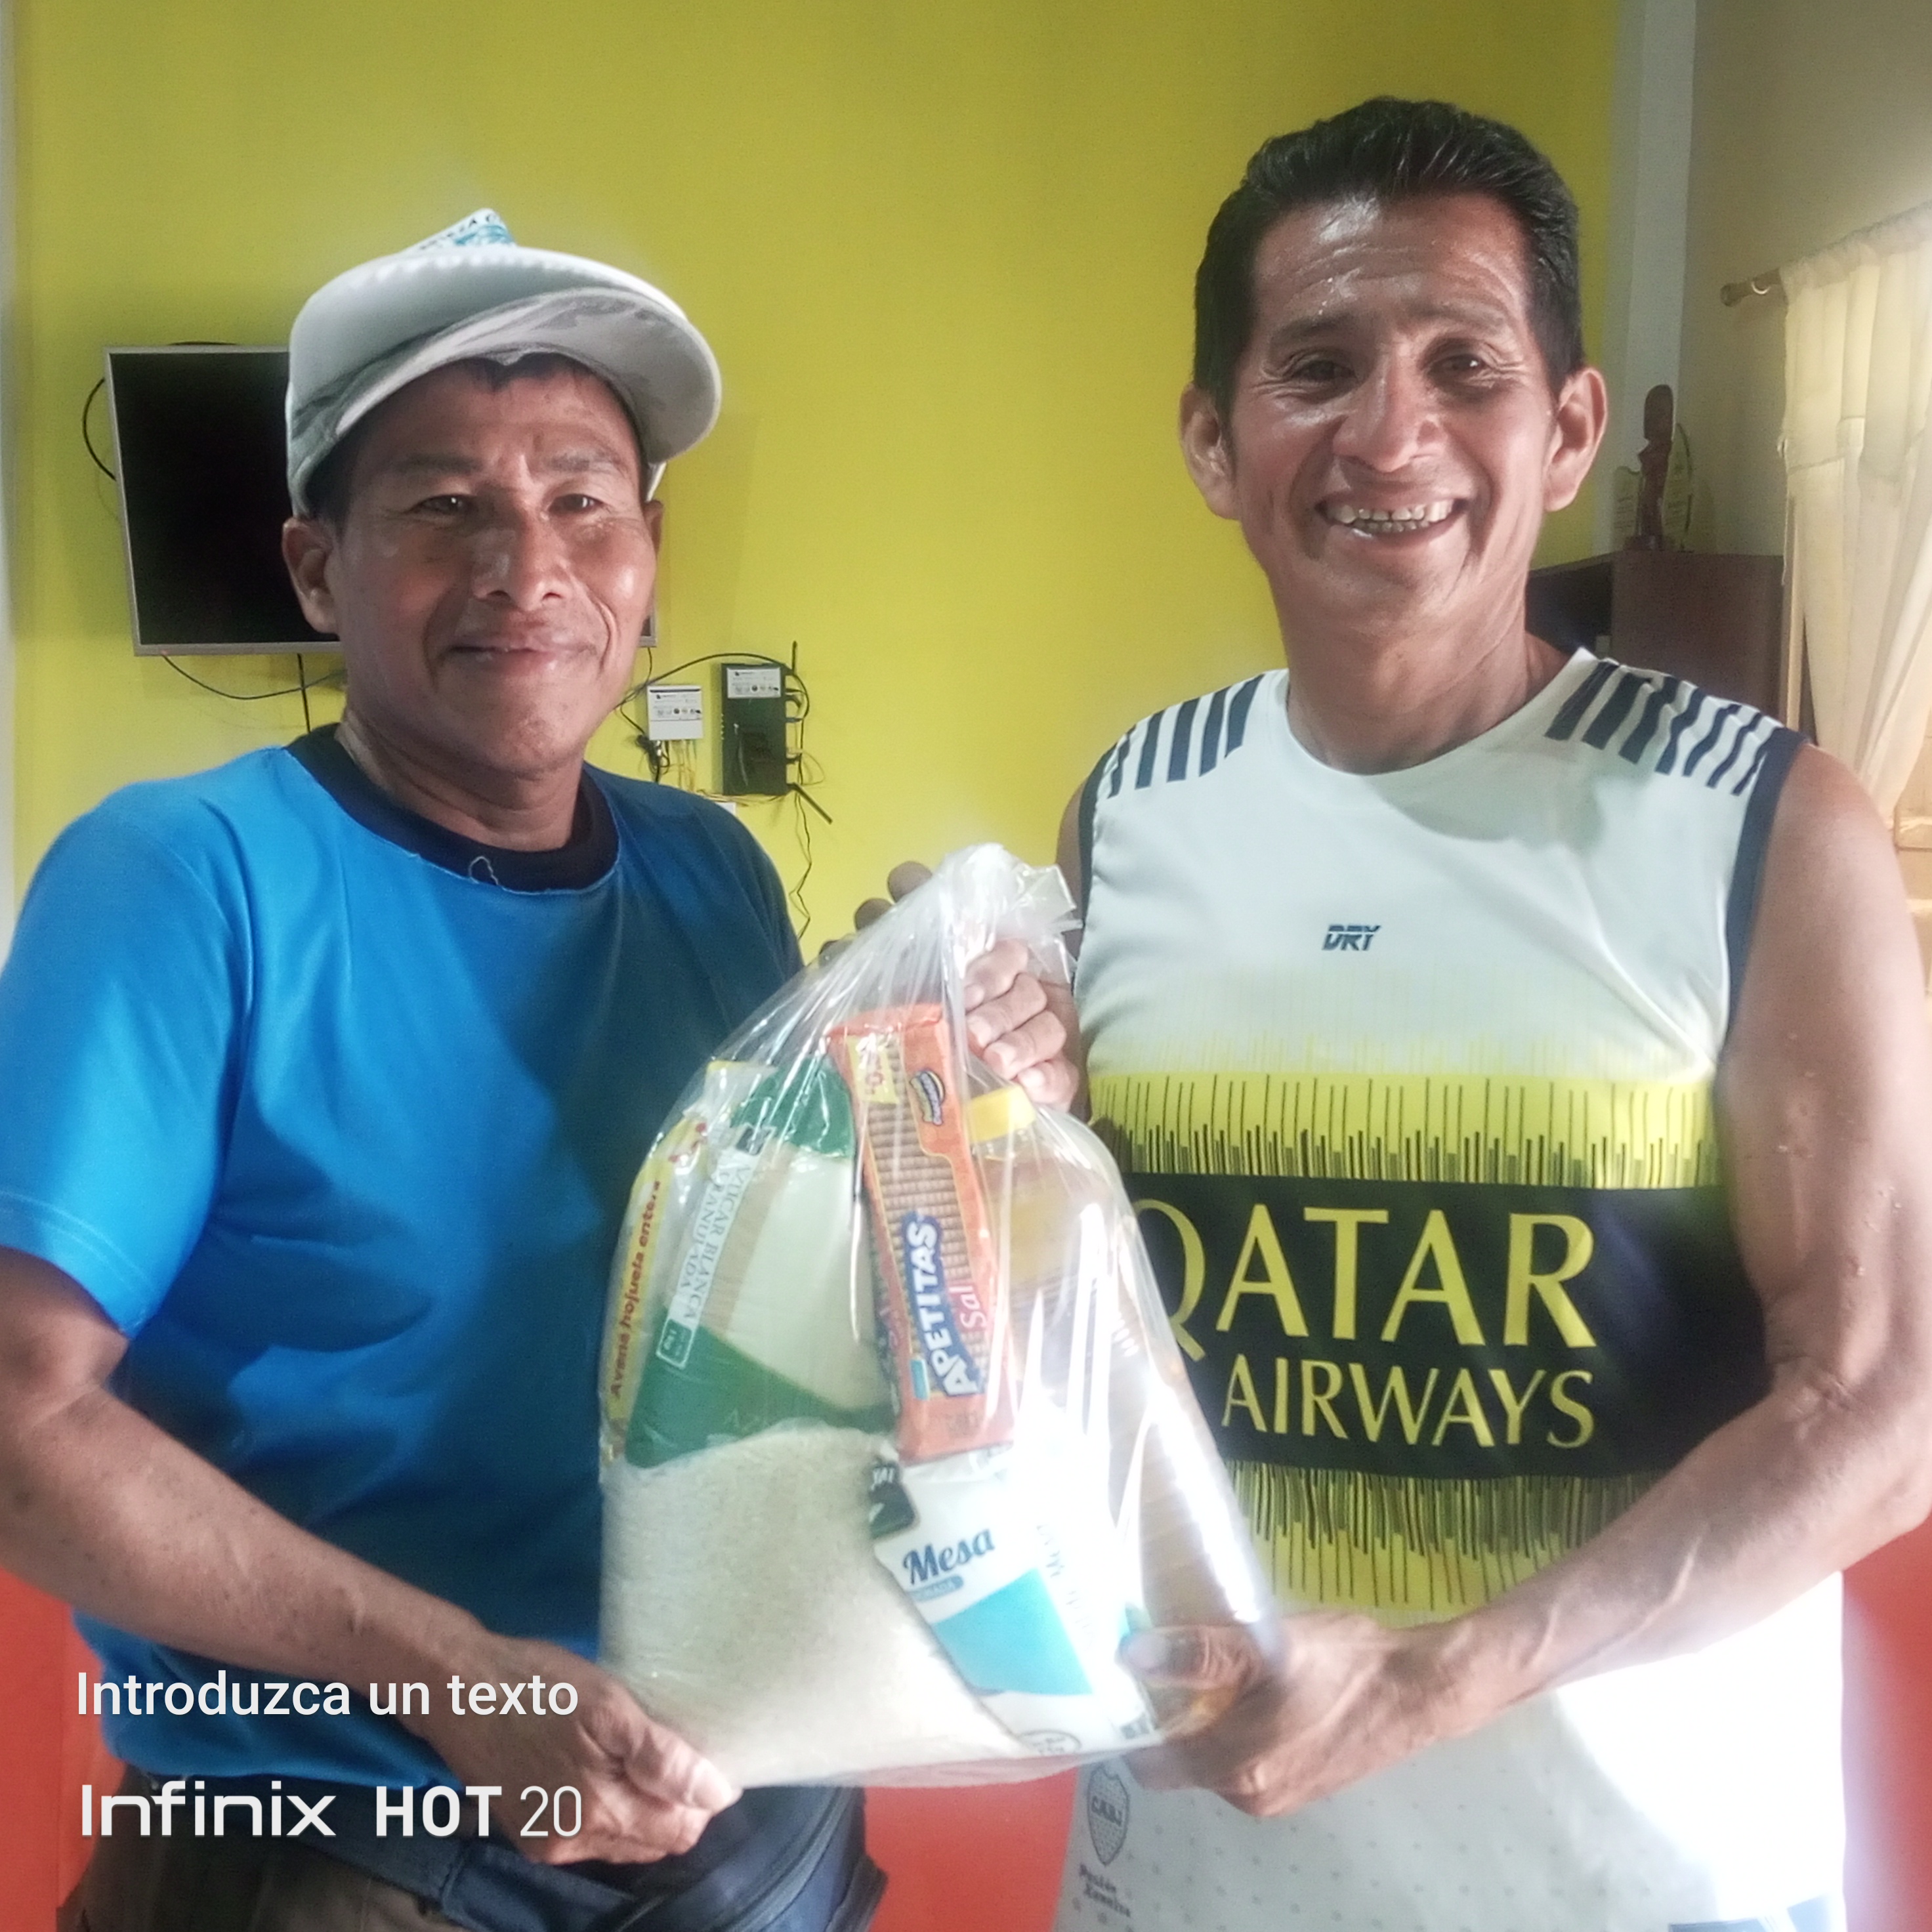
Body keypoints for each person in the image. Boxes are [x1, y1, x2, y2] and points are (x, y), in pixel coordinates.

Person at [0, 209, 1055, 1932]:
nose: (527, 567)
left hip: (733, 1812)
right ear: (315, 569)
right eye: (443, 508)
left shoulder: (709, 870)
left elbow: (803, 1306)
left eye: (583, 500)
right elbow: (21, 1422)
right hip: (336, 1833)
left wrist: (963, 1065)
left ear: (649, 558)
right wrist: (466, 1683)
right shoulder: (188, 879)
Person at [1032, 100, 1932, 1931]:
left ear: (1570, 430)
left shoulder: (1767, 827)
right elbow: (1084, 1324)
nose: (1392, 434)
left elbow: (1881, 1403)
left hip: (1630, 1877)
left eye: (1468, 366)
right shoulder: (1128, 813)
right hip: (1201, 1866)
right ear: (1213, 440)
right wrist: (960, 1088)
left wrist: (1444, 1673)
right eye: (1318, 366)